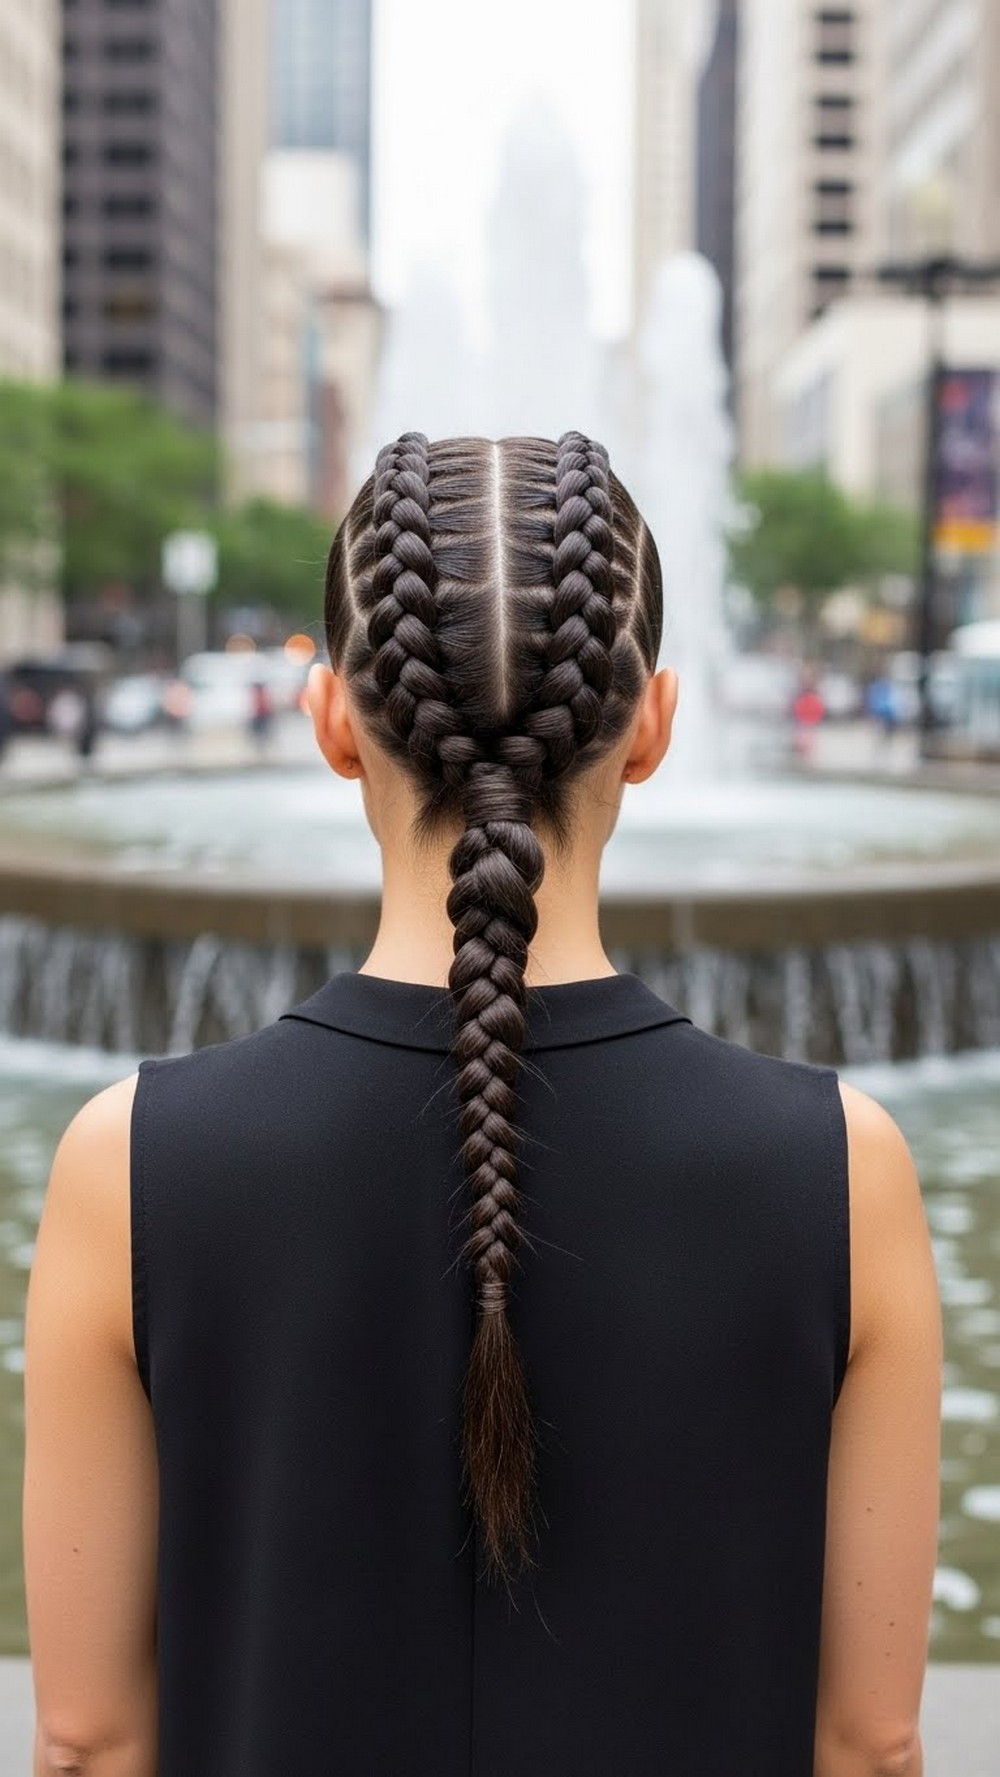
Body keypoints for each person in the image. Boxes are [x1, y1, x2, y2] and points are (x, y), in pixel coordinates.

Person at [23, 433, 942, 1777]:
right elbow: (869, 1741)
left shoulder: (129, 1159)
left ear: (333, 722)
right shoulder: (843, 1167)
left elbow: (89, 1736)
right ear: (653, 727)